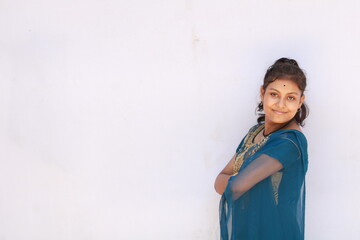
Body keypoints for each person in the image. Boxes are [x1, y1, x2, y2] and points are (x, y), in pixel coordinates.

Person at [214, 58, 309, 240]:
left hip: (275, 233)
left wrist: (238, 181)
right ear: (262, 93)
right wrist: (240, 182)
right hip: (250, 230)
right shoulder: (255, 133)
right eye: (274, 94)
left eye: (290, 97)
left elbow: (236, 186)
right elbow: (219, 181)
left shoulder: (289, 143)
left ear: (300, 101)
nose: (281, 104)